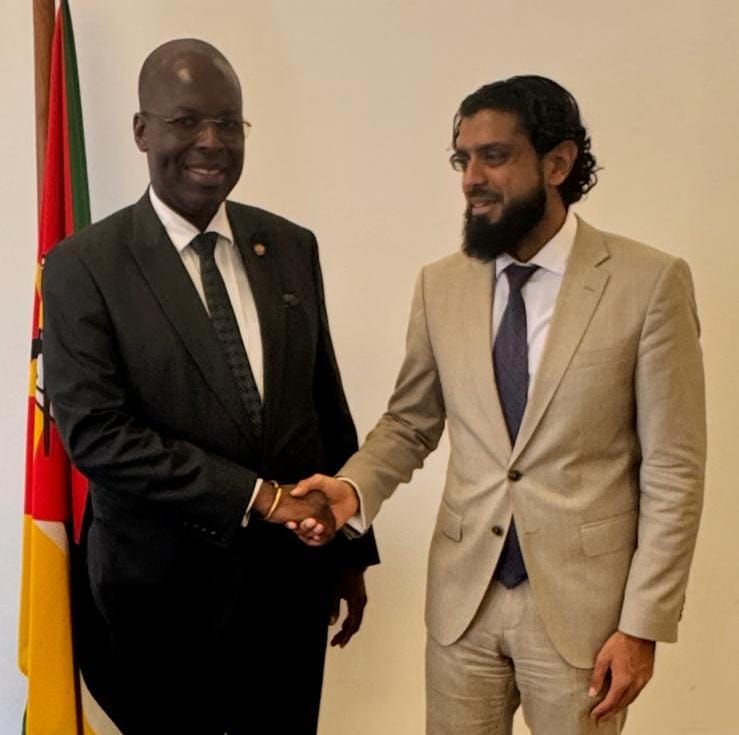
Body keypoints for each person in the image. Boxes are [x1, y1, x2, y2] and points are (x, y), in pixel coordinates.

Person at [291, 75, 705, 734]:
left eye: (494, 156)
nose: (471, 179)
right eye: (462, 158)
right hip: (463, 603)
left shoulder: (648, 283)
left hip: (585, 615)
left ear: (557, 163)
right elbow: (410, 422)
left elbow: (673, 468)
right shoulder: (440, 285)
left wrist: (642, 624)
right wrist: (352, 489)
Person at [42, 38, 378, 735]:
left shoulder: (290, 245)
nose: (211, 141)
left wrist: (349, 553)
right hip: (159, 604)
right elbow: (99, 437)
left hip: (289, 594)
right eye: (187, 120)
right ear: (142, 130)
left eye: (228, 122)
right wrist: (260, 497)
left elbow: (323, 402)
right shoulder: (84, 265)